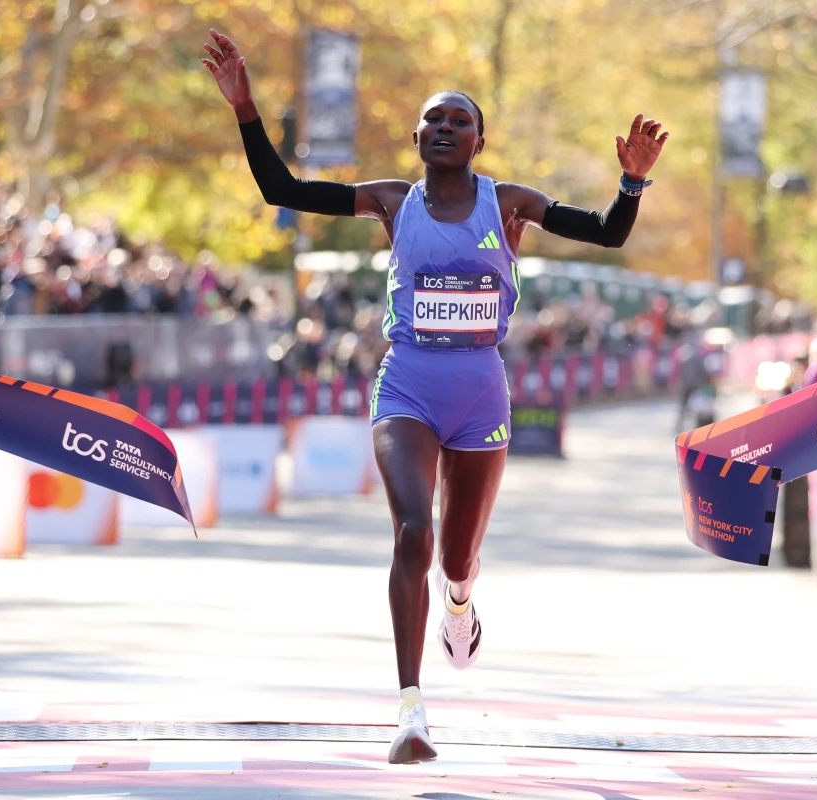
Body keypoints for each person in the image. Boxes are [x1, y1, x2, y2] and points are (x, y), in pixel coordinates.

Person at [203, 29, 669, 765]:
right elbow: (283, 190)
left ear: (478, 141)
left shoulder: (509, 203)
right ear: (417, 136)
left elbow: (608, 235)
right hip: (409, 383)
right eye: (435, 119)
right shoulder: (392, 201)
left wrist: (632, 183)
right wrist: (247, 109)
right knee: (413, 533)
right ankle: (410, 712)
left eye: (460, 120)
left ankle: (460, 604)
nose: (446, 127)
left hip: (481, 392)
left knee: (455, 558)